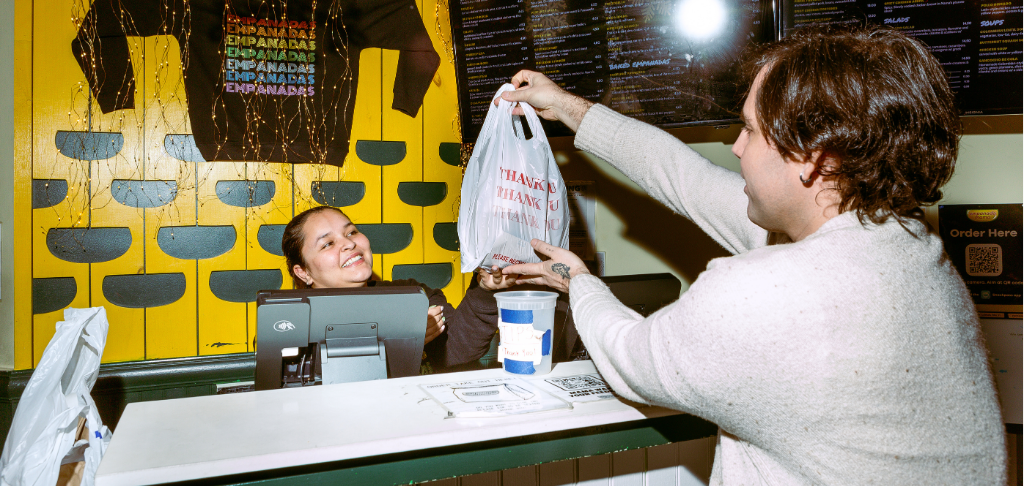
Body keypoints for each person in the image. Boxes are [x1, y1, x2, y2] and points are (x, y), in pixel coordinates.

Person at [499, 26, 1006, 484]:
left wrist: (579, 281)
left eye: (750, 130)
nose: (736, 147)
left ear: (816, 157)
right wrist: (565, 104)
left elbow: (629, 358)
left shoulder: (768, 292)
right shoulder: (912, 249)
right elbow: (680, 175)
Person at [281, 205, 516, 370]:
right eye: (328, 243)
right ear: (303, 272)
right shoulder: (289, 322)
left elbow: (460, 351)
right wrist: (398, 342)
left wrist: (485, 290)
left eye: (351, 232)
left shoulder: (413, 294)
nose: (350, 243)